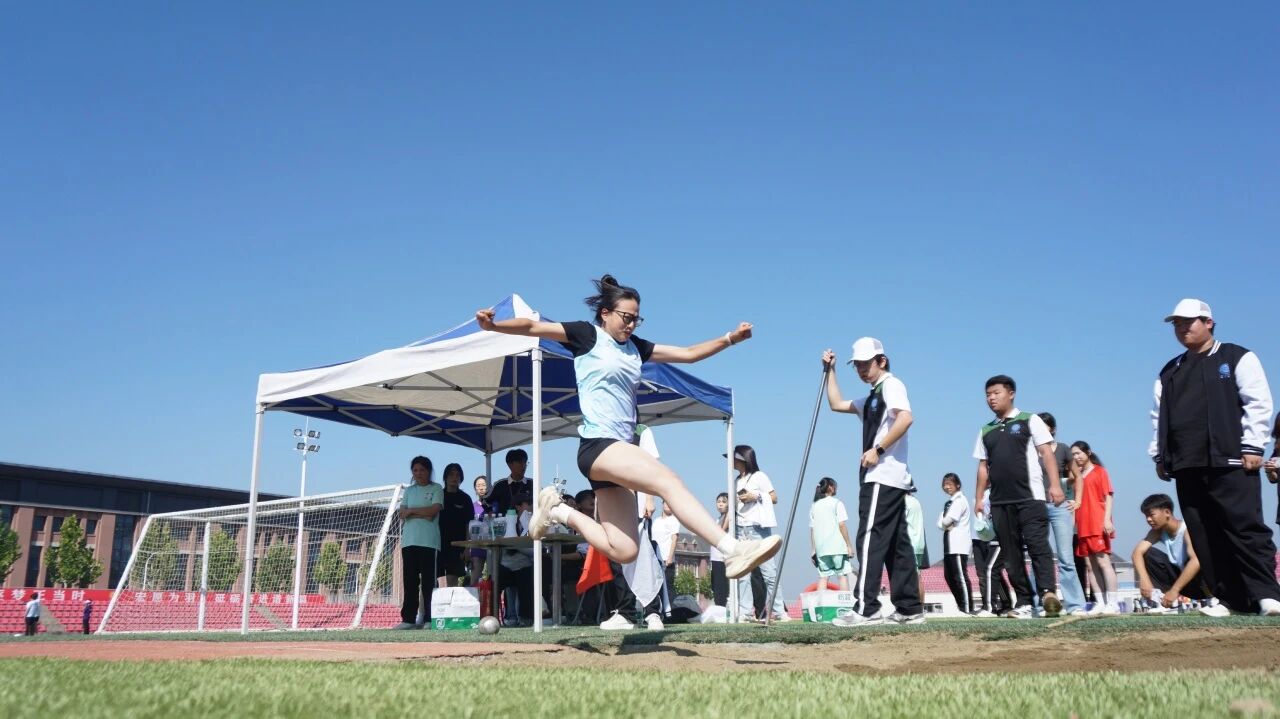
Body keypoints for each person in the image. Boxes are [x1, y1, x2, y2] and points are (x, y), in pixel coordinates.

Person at [475, 275, 780, 598]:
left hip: (619, 451)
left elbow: (689, 353)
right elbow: (533, 327)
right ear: (605, 313)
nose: (632, 325)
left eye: (637, 319)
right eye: (626, 317)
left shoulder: (637, 348)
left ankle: (559, 511)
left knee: (625, 550)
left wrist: (730, 338)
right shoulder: (586, 335)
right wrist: (495, 326)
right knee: (668, 481)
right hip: (598, 445)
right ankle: (732, 549)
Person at [1149, 298, 1280, 616]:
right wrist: (1160, 455)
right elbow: (1158, 416)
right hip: (1186, 462)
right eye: (1177, 324)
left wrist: (1253, 445)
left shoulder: (1236, 357)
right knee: (1204, 533)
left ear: (1208, 323)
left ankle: (1266, 594)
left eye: (1188, 321)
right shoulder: (1170, 371)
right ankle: (1229, 598)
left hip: (1231, 459)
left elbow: (1258, 402)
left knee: (1244, 527)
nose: (1182, 328)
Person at [822, 339, 924, 626]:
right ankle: (909, 608)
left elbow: (906, 418)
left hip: (883, 475)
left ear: (882, 361)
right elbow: (836, 404)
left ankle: (867, 608)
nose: (862, 370)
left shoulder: (891, 385)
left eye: (866, 364)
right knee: (897, 545)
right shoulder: (871, 397)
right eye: (857, 365)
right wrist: (831, 371)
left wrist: (878, 450)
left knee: (869, 537)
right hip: (885, 478)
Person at [972, 375, 1065, 618]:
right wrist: (979, 498)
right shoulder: (986, 430)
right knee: (1010, 554)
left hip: (1030, 497)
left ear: (1011, 393)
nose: (991, 398)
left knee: (1037, 545)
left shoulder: (1029, 420)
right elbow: (983, 466)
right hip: (999, 501)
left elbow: (1046, 453)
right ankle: (1024, 602)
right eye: (988, 395)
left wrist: (1055, 485)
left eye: (996, 393)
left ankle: (1047, 593)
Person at [1036, 412, 1087, 617]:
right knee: (1039, 556)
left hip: (1059, 507)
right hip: (1037, 507)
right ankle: (1040, 604)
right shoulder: (1030, 451)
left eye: (1044, 426)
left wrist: (1078, 501)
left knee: (1066, 557)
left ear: (1053, 429)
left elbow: (1078, 476)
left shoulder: (1064, 449)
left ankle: (1075, 604)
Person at [732, 445, 789, 622]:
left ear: (742, 459)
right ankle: (746, 612)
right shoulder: (735, 480)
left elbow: (774, 497)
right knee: (743, 573)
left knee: (769, 572)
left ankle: (779, 611)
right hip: (741, 528)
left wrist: (754, 496)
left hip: (758, 528)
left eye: (734, 458)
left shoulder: (759, 476)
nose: (731, 462)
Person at [1131, 494, 1211, 614]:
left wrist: (1175, 590)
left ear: (1167, 512)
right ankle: (1165, 601)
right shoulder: (1157, 532)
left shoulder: (1187, 529)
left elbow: (1196, 561)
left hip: (1203, 583)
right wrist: (1144, 579)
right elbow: (1137, 553)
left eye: (1151, 515)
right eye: (1146, 516)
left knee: (1196, 558)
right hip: (1184, 584)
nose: (1148, 519)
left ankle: (1213, 599)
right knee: (1147, 553)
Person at [1071, 441, 1119, 615]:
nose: (1076, 457)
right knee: (1090, 566)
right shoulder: (1077, 477)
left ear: (1088, 453)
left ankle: (1113, 603)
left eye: (1078, 453)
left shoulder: (1100, 471)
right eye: (1073, 454)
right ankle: (1100, 602)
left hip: (1097, 523)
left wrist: (1107, 520)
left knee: (1103, 562)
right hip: (1082, 525)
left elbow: (1109, 496)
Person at [395, 455, 442, 630]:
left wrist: (412, 511)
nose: (418, 473)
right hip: (409, 542)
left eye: (422, 470)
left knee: (429, 582)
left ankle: (430, 618)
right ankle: (408, 619)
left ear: (429, 471)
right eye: (415, 470)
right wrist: (420, 512)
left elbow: (433, 511)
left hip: (429, 542)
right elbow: (402, 513)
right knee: (410, 582)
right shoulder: (409, 491)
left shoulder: (436, 488)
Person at [972, 489, 1012, 617]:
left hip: (997, 536)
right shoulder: (980, 494)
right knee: (989, 572)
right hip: (984, 537)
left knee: (990, 569)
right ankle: (1001, 605)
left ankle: (992, 606)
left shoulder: (995, 491)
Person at [937, 473, 973, 615]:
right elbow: (940, 524)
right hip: (949, 545)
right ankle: (961, 606)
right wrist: (945, 524)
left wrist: (945, 523)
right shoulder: (949, 503)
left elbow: (946, 520)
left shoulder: (960, 500)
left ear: (957, 485)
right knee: (949, 576)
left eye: (949, 484)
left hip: (958, 545)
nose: (947, 487)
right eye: (945, 484)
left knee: (960, 576)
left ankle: (967, 607)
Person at [810, 477, 854, 591]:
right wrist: (849, 545)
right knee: (842, 576)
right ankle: (844, 602)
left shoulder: (814, 506)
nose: (836, 489)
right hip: (837, 547)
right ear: (830, 487)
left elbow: (813, 530)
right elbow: (842, 525)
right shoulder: (837, 503)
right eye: (835, 486)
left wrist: (814, 549)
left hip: (821, 549)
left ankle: (820, 602)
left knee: (823, 578)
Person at [437, 463, 473, 588]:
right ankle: (427, 602)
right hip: (437, 544)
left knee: (452, 582)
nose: (454, 477)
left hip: (457, 546)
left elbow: (469, 524)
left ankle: (451, 602)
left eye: (457, 475)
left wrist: (467, 547)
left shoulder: (465, 498)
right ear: (445, 477)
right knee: (430, 581)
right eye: (451, 474)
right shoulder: (438, 495)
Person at [903, 484, 928, 604]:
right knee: (917, 576)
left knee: (907, 578)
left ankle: (910, 606)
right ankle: (920, 607)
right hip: (919, 543)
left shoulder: (903, 502)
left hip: (908, 543)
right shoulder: (916, 501)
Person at [487, 450, 532, 516]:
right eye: (520, 462)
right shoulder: (499, 485)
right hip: (503, 522)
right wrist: (489, 514)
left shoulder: (533, 484)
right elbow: (484, 504)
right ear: (510, 465)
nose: (523, 465)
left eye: (525, 462)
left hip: (527, 522)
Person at [652, 500, 681, 600]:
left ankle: (670, 608)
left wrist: (670, 557)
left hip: (666, 560)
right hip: (656, 559)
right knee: (656, 587)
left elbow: (674, 539)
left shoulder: (674, 520)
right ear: (662, 504)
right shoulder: (656, 521)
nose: (668, 505)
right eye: (666, 503)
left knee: (668, 588)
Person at [710, 492, 731, 607]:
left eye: (724, 502)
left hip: (722, 557)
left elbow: (721, 531)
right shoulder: (718, 519)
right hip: (715, 557)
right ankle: (719, 607)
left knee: (722, 587)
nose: (720, 504)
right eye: (718, 502)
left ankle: (722, 608)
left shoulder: (728, 517)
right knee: (715, 586)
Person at [470, 475, 491, 583]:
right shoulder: (472, 506)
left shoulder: (494, 504)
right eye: (478, 486)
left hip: (492, 545)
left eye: (483, 485)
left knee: (494, 576)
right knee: (475, 577)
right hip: (477, 546)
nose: (481, 488)